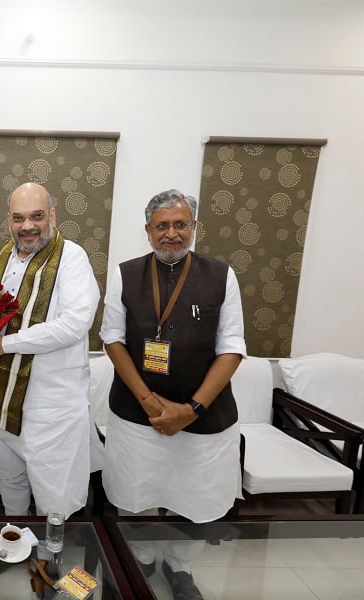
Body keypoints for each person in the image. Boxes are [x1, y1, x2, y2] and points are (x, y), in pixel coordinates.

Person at [99, 189, 245, 600]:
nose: (171, 234)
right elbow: (112, 338)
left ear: (194, 228)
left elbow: (232, 346)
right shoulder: (125, 273)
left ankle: (181, 569)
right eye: (162, 226)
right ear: (147, 231)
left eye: (180, 224)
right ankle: (141, 559)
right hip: (136, 412)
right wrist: (148, 400)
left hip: (204, 417)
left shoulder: (221, 275)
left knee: (195, 498)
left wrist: (192, 409)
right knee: (136, 492)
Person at [0, 182, 100, 577]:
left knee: (54, 495)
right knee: (11, 484)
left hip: (49, 408)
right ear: (8, 220)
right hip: (0, 401)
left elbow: (74, 324)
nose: (28, 226)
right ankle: (13, 545)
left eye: (37, 216)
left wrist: (1, 346)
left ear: (52, 216)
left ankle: (52, 562)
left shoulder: (71, 258)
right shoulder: (4, 257)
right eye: (19, 217)